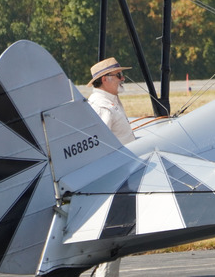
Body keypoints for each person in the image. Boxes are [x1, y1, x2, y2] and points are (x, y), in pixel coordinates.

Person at [86, 57, 134, 277]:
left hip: (122, 176)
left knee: (119, 234)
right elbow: (100, 147)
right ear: (105, 79)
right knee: (114, 236)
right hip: (115, 181)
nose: (122, 79)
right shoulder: (102, 105)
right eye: (118, 76)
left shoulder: (110, 100)